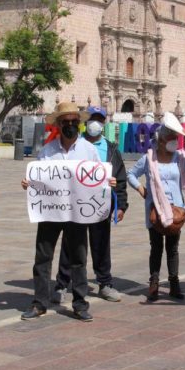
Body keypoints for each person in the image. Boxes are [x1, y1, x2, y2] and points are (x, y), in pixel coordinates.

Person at [21, 102, 115, 322]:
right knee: (42, 258)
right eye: (66, 122)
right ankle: (39, 303)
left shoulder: (89, 150)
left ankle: (80, 304)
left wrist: (106, 181)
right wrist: (30, 183)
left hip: (77, 213)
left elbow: (96, 178)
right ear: (59, 125)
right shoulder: (47, 151)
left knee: (78, 259)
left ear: (79, 125)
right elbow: (39, 180)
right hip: (51, 212)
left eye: (75, 122)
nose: (71, 125)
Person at [52, 106, 128, 303]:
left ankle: (105, 283)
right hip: (75, 202)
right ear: (84, 123)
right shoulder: (76, 144)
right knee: (70, 245)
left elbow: (119, 178)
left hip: (100, 203)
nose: (95, 123)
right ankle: (62, 284)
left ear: (104, 123)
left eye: (99, 119)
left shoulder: (111, 149)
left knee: (101, 244)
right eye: (92, 119)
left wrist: (121, 205)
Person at [128, 112, 185, 301]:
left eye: (176, 138)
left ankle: (174, 283)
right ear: (160, 141)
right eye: (170, 138)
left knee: (173, 248)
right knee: (156, 247)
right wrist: (141, 189)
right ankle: (154, 283)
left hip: (176, 209)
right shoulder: (149, 158)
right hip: (155, 209)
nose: (174, 141)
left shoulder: (180, 157)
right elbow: (131, 174)